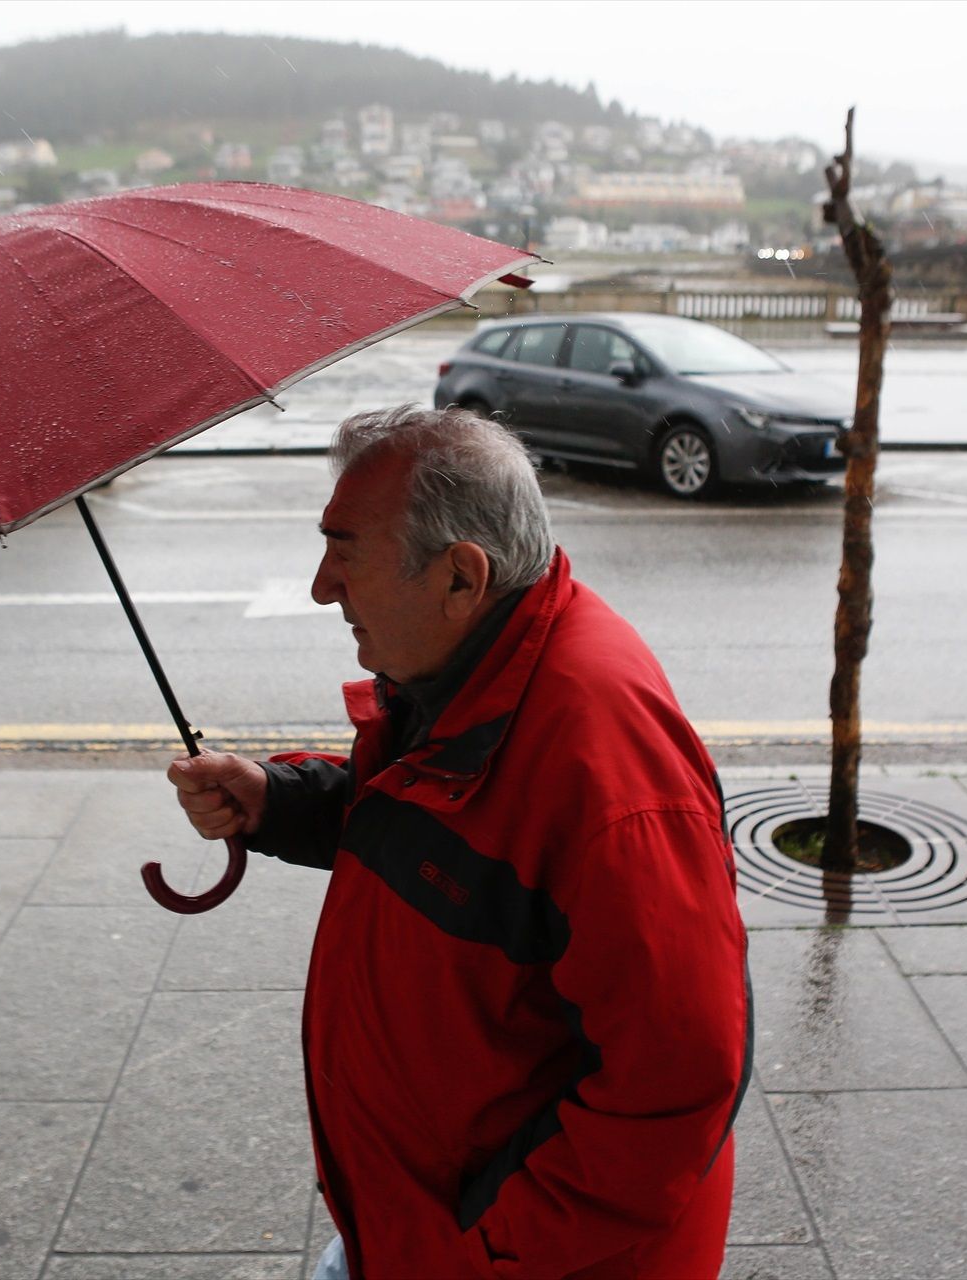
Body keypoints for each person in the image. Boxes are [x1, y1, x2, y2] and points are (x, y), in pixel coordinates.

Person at [168, 405, 751, 1279]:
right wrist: (278, 802)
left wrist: (474, 1252)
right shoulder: (475, 669)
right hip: (417, 1216)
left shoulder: (605, 767)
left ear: (460, 576)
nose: (323, 586)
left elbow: (674, 1082)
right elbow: (447, 829)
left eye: (345, 549)